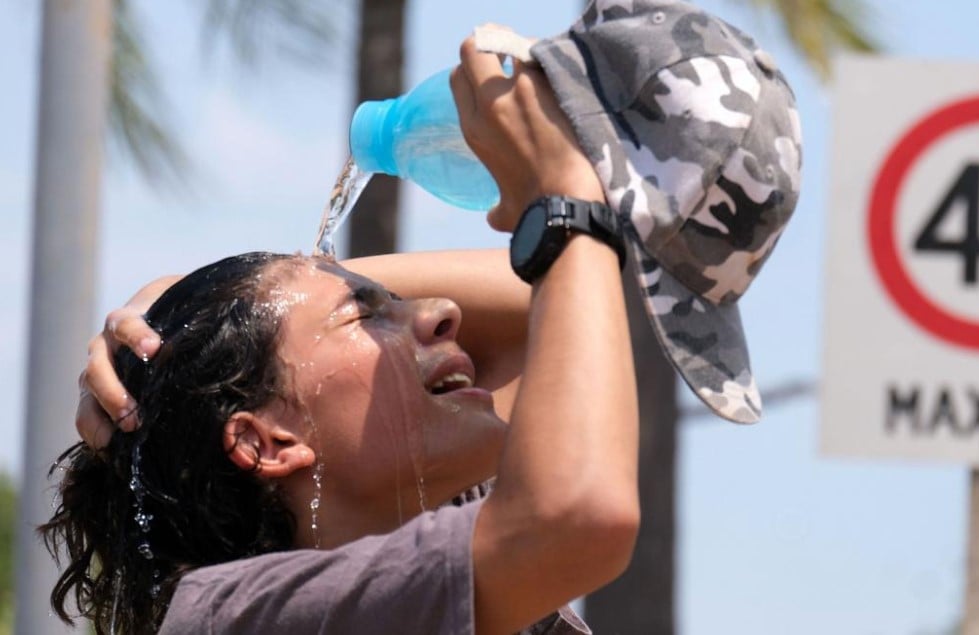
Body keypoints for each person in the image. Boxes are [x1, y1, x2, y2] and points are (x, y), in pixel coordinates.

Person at [43, 35, 638, 635]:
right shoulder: (238, 616)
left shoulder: (426, 561)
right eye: (366, 316)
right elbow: (579, 510)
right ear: (264, 442)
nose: (444, 312)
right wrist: (564, 198)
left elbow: (574, 295)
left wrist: (232, 289)